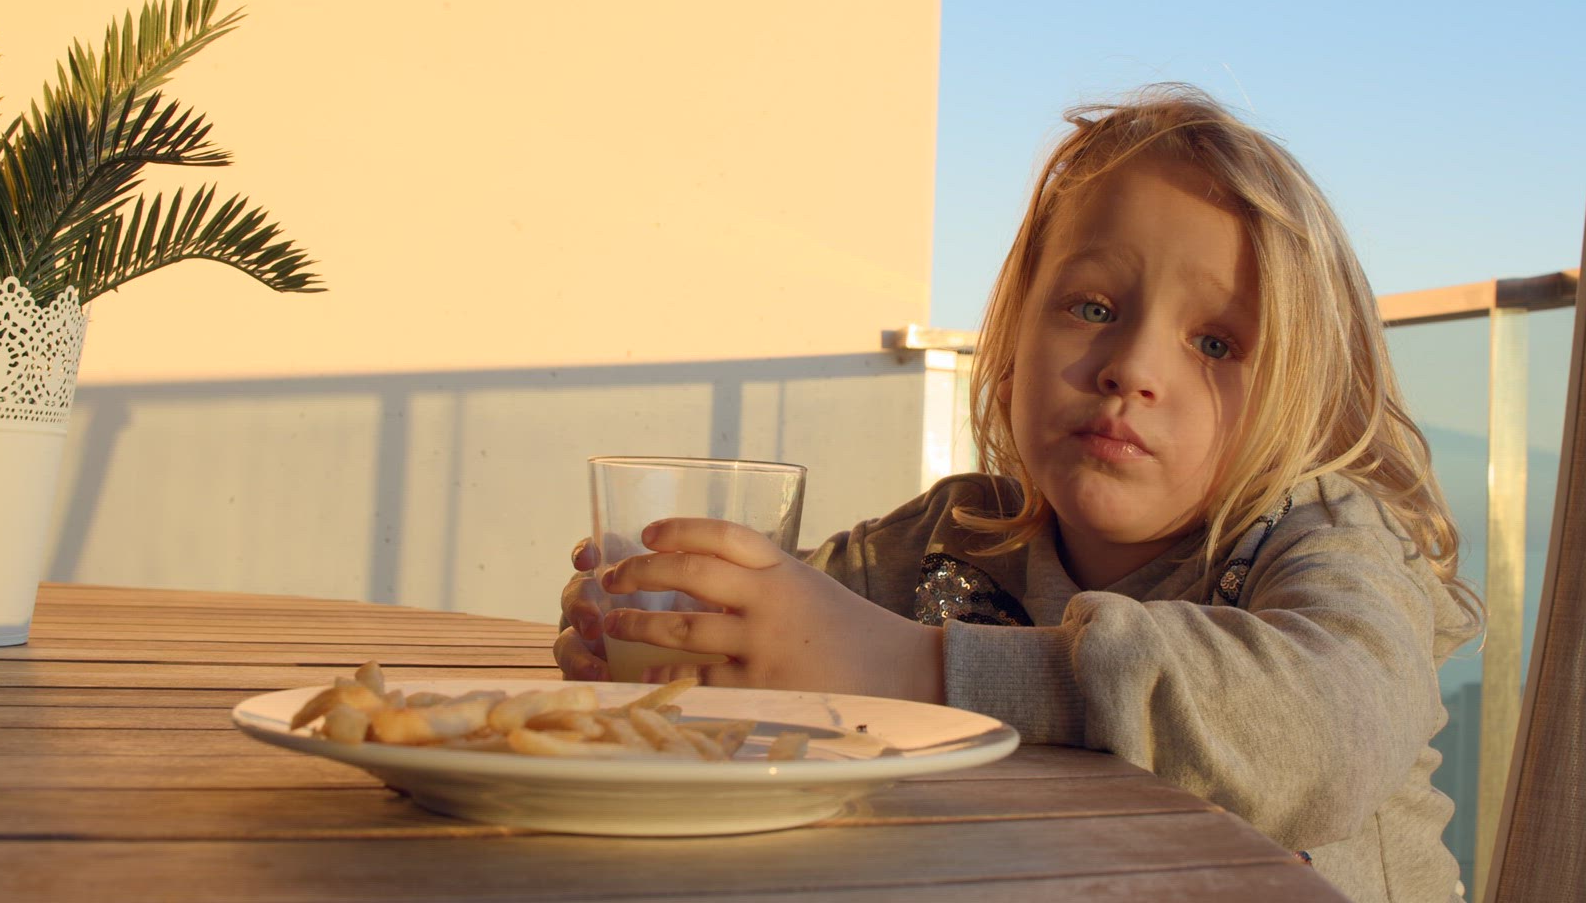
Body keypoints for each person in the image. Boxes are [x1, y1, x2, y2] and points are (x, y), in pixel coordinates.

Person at [555, 84, 1481, 903]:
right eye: (1092, 309)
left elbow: (1330, 731)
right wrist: (675, 630)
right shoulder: (956, 535)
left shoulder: (1323, 538)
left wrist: (916, 668)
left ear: (1306, 395)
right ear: (1014, 336)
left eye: (1216, 343)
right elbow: (796, 628)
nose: (1131, 368)